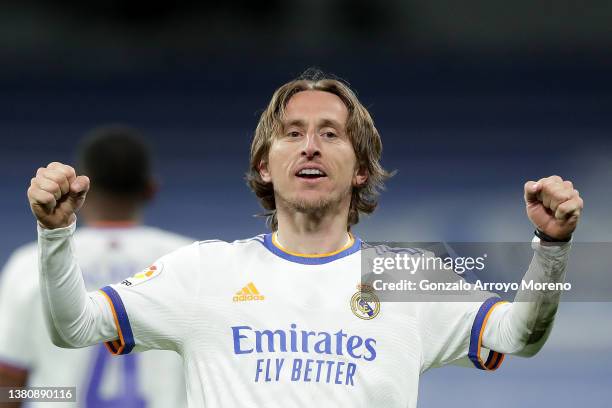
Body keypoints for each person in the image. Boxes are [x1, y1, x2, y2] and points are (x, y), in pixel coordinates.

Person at [26, 71, 583, 408]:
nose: (310, 146)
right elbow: (75, 327)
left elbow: (518, 334)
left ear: (361, 168)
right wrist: (56, 235)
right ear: (265, 166)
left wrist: (551, 247)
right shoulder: (204, 272)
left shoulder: (405, 278)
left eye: (331, 134)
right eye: (292, 134)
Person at [1, 126, 190, 408]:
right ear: (150, 189)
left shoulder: (30, 262)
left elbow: (9, 383)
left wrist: (54, 393)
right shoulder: (191, 260)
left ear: (81, 186)